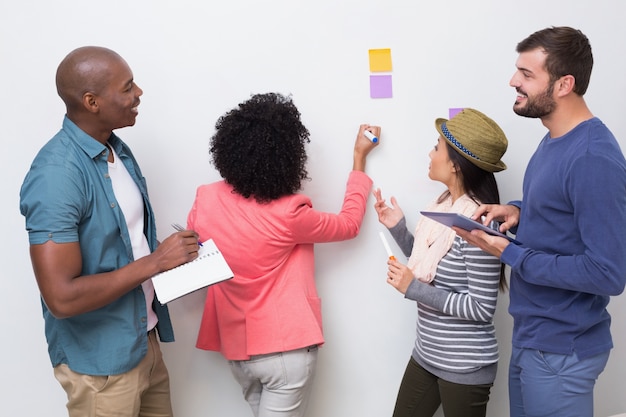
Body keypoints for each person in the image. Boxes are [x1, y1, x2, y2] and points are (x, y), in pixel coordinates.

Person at [19, 46, 201, 417]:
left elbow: (127, 245)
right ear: (92, 101)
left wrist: (177, 258)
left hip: (143, 341)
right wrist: (155, 261)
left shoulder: (116, 150)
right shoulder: (56, 175)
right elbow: (62, 298)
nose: (139, 94)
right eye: (127, 87)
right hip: (100, 367)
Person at [455, 27, 626, 417]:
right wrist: (519, 210)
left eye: (527, 74)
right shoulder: (554, 139)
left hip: (562, 350)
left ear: (565, 84)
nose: (514, 81)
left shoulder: (593, 158)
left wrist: (511, 253)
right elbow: (564, 210)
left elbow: (608, 273)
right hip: (535, 339)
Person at [185, 92, 379, 417]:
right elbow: (348, 224)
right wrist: (359, 160)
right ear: (288, 155)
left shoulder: (206, 199)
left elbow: (197, 241)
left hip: (237, 352)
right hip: (284, 351)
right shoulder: (290, 213)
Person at [374, 108, 508, 417]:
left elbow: (480, 307)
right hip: (427, 355)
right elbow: (431, 268)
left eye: (437, 147)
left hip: (464, 367)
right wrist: (398, 228)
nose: (430, 153)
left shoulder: (475, 224)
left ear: (456, 165)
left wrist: (412, 289)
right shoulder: (443, 207)